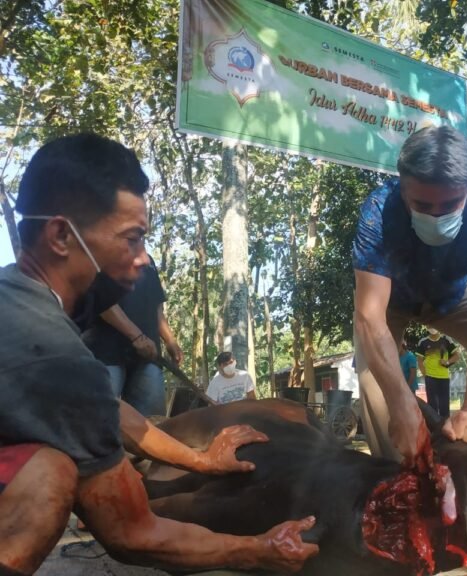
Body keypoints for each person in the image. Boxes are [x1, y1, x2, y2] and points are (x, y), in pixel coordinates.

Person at [0, 133, 317, 575]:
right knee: (46, 476)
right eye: (132, 239)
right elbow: (133, 533)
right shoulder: (52, 352)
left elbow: (107, 411)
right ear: (60, 236)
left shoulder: (15, 296)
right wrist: (258, 549)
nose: (144, 259)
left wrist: (201, 460)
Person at [352, 125, 467, 465]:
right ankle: (394, 472)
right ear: (402, 188)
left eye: (450, 204)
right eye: (422, 204)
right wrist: (402, 405)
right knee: (370, 372)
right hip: (393, 304)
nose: (436, 215)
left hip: (453, 297)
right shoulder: (378, 210)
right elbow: (370, 317)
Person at [83, 255, 181, 416]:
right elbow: (99, 298)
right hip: (104, 353)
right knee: (100, 419)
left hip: (147, 356)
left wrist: (170, 340)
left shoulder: (147, 261)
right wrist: (136, 336)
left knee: (153, 424)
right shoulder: (99, 251)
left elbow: (156, 306)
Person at [416, 329, 459, 417]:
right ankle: (433, 428)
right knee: (432, 405)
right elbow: (419, 361)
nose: (432, 328)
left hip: (444, 377)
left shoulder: (446, 339)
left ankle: (445, 427)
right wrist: (425, 375)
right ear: (427, 327)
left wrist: (447, 362)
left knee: (444, 405)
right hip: (430, 377)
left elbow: (457, 356)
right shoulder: (423, 342)